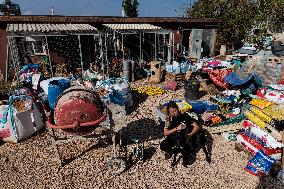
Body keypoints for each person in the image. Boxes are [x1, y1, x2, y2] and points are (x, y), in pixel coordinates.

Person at [160, 101, 200, 167]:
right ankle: (171, 150)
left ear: (177, 109)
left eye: (175, 111)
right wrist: (176, 128)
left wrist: (190, 134)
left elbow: (197, 127)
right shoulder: (169, 119)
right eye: (171, 112)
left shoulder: (185, 116)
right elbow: (165, 133)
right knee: (163, 146)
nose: (174, 113)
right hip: (174, 136)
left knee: (187, 161)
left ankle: (189, 152)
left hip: (184, 137)